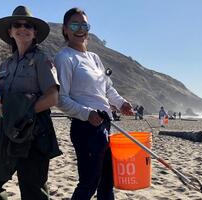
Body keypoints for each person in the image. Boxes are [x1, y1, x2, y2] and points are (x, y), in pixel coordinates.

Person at [0, 6, 61, 200]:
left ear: (35, 32)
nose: (23, 28)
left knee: (33, 191)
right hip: (6, 129)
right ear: (10, 31)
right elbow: (5, 104)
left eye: (28, 25)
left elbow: (52, 98)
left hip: (35, 132)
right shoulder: (6, 64)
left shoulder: (42, 59)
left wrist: (24, 114)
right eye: (17, 25)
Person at [54, 7, 133, 200]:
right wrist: (87, 113)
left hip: (105, 124)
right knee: (89, 182)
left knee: (107, 183)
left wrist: (121, 103)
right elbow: (61, 99)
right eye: (75, 24)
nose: (80, 29)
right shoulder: (64, 58)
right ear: (65, 29)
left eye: (84, 24)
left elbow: (107, 89)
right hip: (85, 128)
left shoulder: (94, 58)